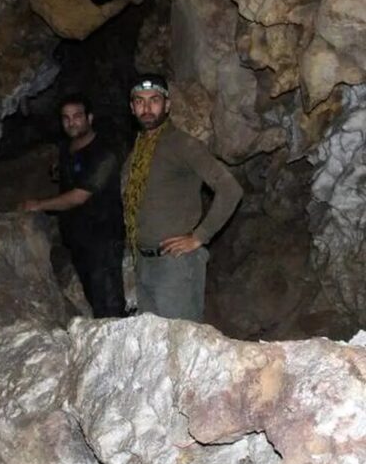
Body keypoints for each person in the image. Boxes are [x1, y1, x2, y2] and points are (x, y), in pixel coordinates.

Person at [123, 73, 243, 322]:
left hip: (175, 266)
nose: (147, 108)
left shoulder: (181, 145)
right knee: (154, 348)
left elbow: (230, 189)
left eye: (154, 100)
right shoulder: (137, 153)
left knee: (180, 347)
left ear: (167, 105)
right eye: (140, 101)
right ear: (132, 107)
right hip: (143, 263)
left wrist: (200, 236)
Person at [22, 93, 125, 318]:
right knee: (93, 296)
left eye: (77, 116)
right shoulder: (69, 148)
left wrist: (39, 205)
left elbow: (79, 196)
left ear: (89, 118)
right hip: (80, 239)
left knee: (108, 302)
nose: (71, 122)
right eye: (66, 118)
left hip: (103, 238)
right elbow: (71, 169)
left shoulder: (104, 153)